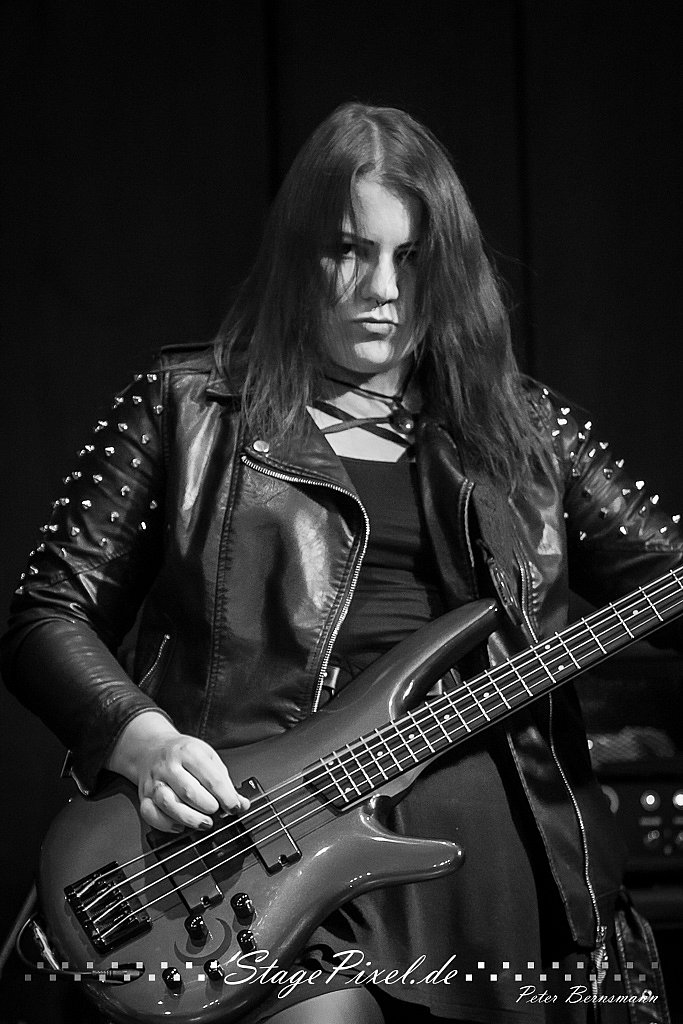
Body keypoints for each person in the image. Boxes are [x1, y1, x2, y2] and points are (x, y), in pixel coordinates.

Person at [2, 103, 681, 1024]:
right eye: (349, 252)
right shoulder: (185, 406)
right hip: (254, 854)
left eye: (412, 258)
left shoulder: (529, 430)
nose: (382, 289)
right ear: (299, 256)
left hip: (499, 866)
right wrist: (141, 738)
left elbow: (666, 582)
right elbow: (47, 610)